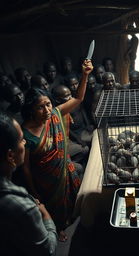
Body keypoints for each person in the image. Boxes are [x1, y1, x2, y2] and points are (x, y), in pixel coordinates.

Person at [21, 59, 93, 242]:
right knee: (53, 206)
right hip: (45, 180)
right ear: (31, 109)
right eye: (40, 107)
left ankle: (72, 218)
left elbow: (78, 98)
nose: (46, 110)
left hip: (63, 167)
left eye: (48, 104)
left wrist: (85, 75)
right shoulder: (25, 134)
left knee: (71, 194)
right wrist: (33, 191)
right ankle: (59, 227)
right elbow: (26, 168)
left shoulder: (55, 115)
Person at [0, 112, 57, 256]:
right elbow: (47, 249)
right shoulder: (23, 207)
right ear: (10, 155)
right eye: (21, 140)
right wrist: (45, 216)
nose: (24, 142)